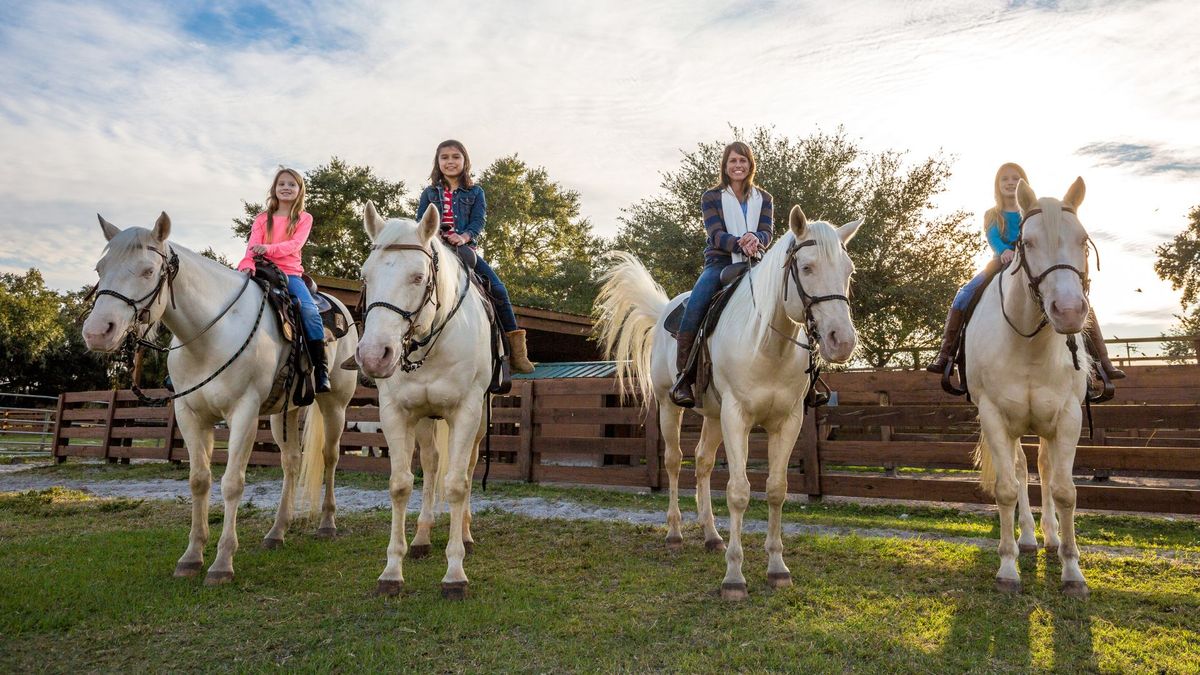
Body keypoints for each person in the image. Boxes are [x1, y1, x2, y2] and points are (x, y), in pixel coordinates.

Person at [925, 162, 1125, 380]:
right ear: (997, 185)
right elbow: (992, 237)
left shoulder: (1035, 212)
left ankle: (1102, 361)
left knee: (1080, 301)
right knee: (964, 294)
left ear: (1024, 184)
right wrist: (1003, 250)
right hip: (1000, 262)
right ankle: (946, 354)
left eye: (1015, 178)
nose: (1010, 182)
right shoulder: (992, 214)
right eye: (1005, 179)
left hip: (1031, 262)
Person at [415, 139, 535, 374]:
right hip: (434, 249)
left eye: (455, 157)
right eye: (444, 157)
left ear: (465, 161)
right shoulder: (429, 193)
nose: (450, 162)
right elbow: (421, 221)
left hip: (463, 250)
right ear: (437, 162)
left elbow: (479, 220)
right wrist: (434, 235)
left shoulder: (475, 192)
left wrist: (464, 236)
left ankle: (516, 353)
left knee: (498, 289)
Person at [669, 141, 773, 408]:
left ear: (750, 165)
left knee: (788, 296)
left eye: (743, 160)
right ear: (725, 167)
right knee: (695, 306)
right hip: (720, 262)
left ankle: (807, 376)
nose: (738, 165)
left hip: (756, 262)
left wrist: (756, 239)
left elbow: (767, 232)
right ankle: (683, 378)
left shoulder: (765, 199)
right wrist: (740, 243)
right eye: (733, 161)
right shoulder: (711, 197)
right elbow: (715, 234)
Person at [236, 168, 331, 393]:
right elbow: (252, 246)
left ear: (299, 190)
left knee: (309, 311)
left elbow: (295, 245)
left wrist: (268, 249)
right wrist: (247, 264)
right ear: (274, 189)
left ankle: (321, 368)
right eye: (281, 184)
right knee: (227, 298)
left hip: (289, 274)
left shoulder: (304, 218)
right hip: (260, 269)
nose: (286, 188)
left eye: (291, 184)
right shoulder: (262, 218)